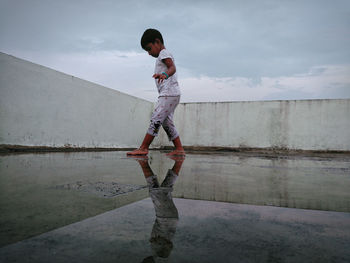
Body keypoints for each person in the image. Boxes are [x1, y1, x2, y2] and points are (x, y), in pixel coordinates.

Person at [127, 29, 185, 156]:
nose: (148, 53)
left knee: (156, 118)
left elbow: (172, 68)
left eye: (149, 48)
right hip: (173, 93)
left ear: (157, 42)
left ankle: (144, 148)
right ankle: (179, 149)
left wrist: (164, 74)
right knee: (166, 122)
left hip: (168, 93)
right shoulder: (163, 55)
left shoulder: (163, 53)